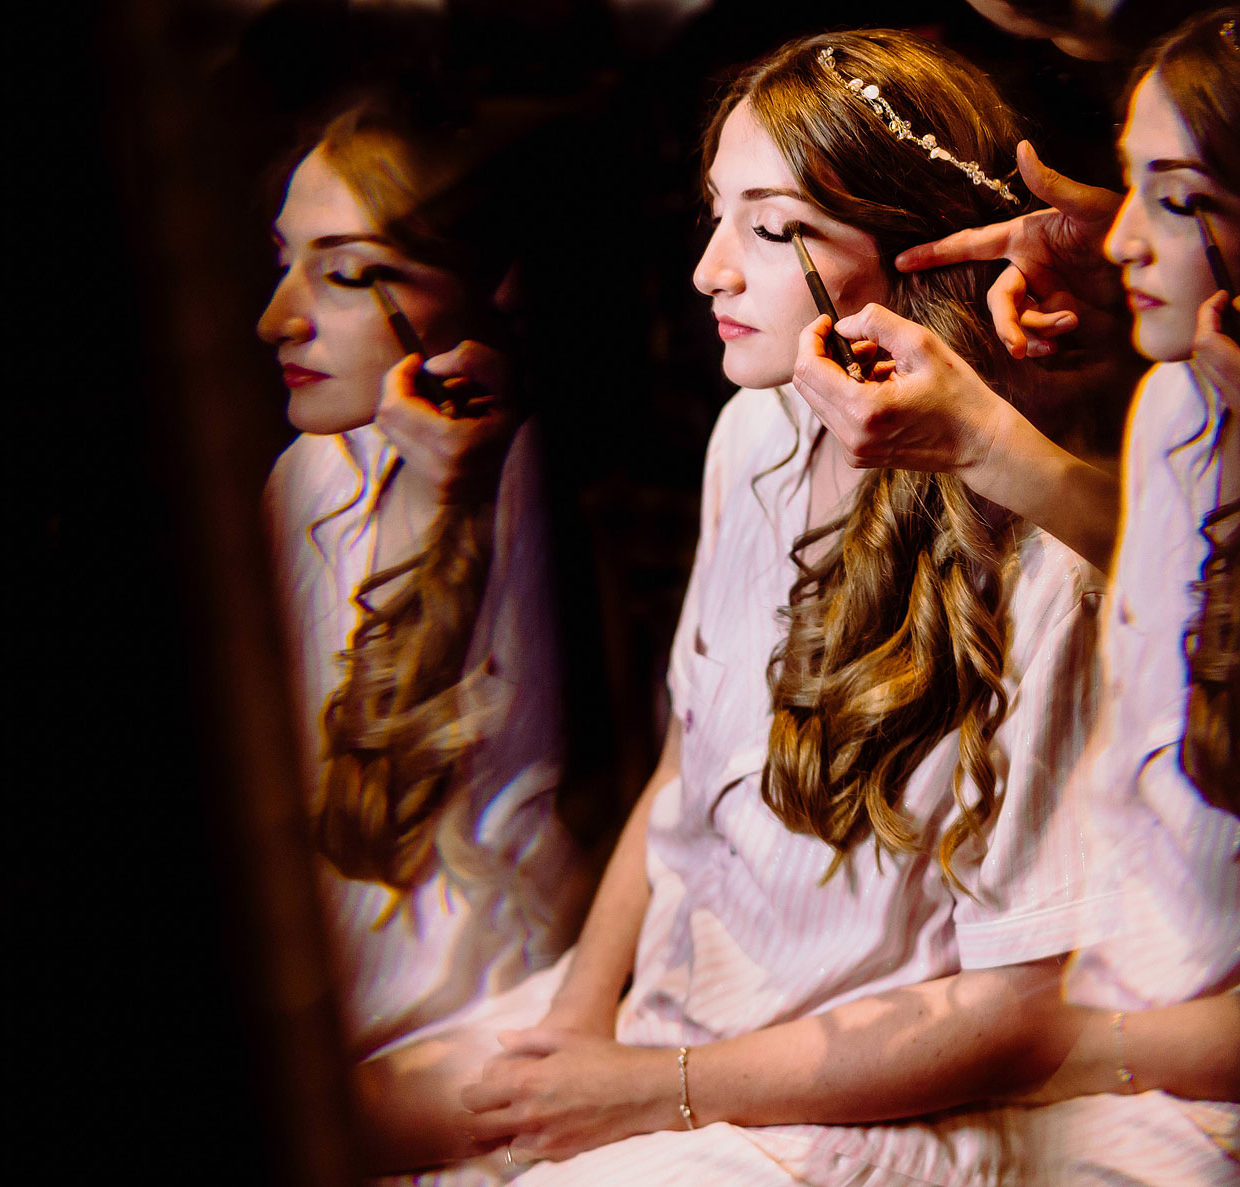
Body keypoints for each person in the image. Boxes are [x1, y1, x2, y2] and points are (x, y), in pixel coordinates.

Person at [447, 29, 1113, 1186]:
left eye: (771, 228)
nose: (709, 268)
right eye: (717, 213)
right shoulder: (754, 430)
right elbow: (681, 768)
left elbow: (1011, 1011)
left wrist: (654, 1093)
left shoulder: (1042, 551)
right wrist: (579, 1021)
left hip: (846, 1109)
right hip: (672, 1013)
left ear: (918, 255)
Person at [793, 8, 1240, 1182]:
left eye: (1175, 198)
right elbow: (1153, 558)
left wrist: (1062, 1047)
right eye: (1129, 188)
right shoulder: (1180, 406)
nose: (1120, 243)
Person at [259, 93, 592, 1180]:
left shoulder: (539, 485)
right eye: (285, 262)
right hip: (340, 1022)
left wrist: (430, 510)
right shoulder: (311, 474)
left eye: (346, 273)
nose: (278, 319)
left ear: (487, 290)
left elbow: (387, 821)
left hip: (485, 1034)